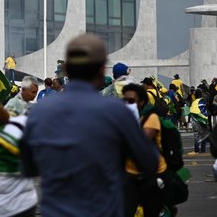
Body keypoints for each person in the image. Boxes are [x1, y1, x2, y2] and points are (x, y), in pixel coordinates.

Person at [20, 34, 158, 216]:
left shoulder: (40, 112)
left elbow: (27, 167)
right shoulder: (117, 112)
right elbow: (149, 161)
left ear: (67, 69)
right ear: (102, 70)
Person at [121, 83, 169, 217]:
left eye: (131, 101)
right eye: (124, 100)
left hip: (152, 173)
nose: (127, 104)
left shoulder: (150, 117)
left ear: (141, 101)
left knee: (151, 211)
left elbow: (140, 143)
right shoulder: (122, 118)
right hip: (131, 173)